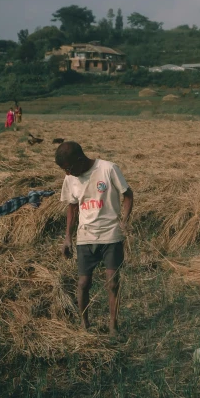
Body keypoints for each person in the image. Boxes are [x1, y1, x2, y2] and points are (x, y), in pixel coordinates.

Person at [56, 141, 134, 336]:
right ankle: (85, 325)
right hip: (85, 236)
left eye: (69, 169)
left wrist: (124, 220)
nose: (67, 174)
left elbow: (128, 195)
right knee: (83, 283)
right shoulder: (70, 179)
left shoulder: (108, 169)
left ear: (80, 160)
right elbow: (72, 208)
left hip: (110, 235)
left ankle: (113, 326)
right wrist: (67, 237)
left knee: (113, 283)